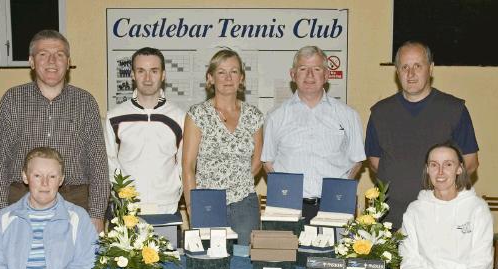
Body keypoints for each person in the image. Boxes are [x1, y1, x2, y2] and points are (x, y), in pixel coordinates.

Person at [0, 29, 109, 234]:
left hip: (75, 200)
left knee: (76, 266)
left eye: (59, 55)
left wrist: (96, 214)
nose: (52, 61)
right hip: (21, 199)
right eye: (43, 54)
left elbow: (99, 166)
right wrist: (2, 212)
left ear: (68, 62)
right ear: (32, 61)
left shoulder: (85, 102)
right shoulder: (13, 100)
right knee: (24, 264)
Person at [366, 41, 479, 230]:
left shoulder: (454, 109)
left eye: (417, 66)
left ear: (431, 68)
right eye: (405, 67)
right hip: (390, 221)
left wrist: (439, 191)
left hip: (442, 219)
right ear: (397, 71)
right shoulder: (380, 113)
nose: (411, 74)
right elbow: (375, 162)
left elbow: (470, 162)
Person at [261, 45, 365, 223]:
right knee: (288, 252)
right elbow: (267, 162)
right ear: (293, 75)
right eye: (303, 69)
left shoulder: (348, 115)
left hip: (334, 206)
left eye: (316, 69)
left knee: (334, 251)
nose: (309, 75)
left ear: (326, 75)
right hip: (287, 207)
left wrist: (339, 190)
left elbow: (357, 160)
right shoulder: (275, 116)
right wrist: (285, 192)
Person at [182, 49, 263, 246]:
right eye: (221, 72)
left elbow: (258, 161)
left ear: (241, 78)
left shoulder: (254, 115)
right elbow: (188, 166)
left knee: (245, 263)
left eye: (234, 72)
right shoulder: (197, 114)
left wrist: (235, 182)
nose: (228, 78)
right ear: (210, 78)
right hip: (208, 202)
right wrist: (193, 206)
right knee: (211, 264)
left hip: (244, 202)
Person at [105, 47, 185, 214]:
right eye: (141, 71)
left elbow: (184, 163)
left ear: (163, 75)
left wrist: (174, 191)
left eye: (154, 71)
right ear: (133, 75)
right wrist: (123, 195)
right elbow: (109, 161)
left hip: (167, 207)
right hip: (126, 209)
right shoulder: (114, 116)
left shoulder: (180, 117)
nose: (148, 78)